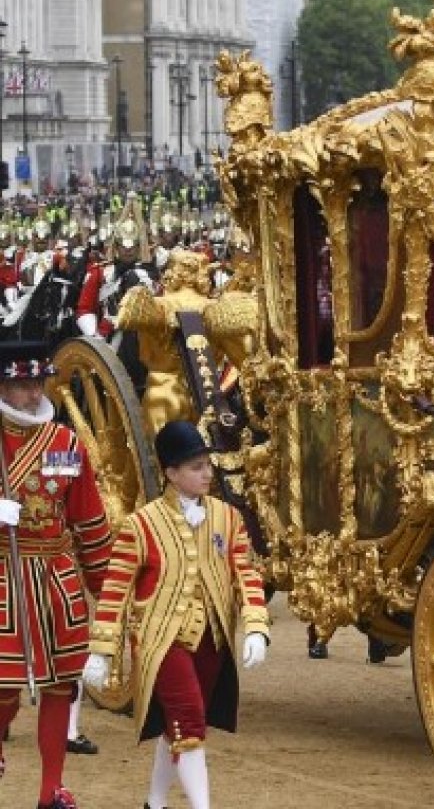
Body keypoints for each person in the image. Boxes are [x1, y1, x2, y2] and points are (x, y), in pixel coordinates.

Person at [83, 420, 270, 809]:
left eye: (207, 464)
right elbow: (115, 590)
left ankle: (154, 802)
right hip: (160, 638)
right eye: (195, 467)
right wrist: (101, 650)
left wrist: (256, 626)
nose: (206, 473)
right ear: (171, 473)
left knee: (179, 727)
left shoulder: (227, 518)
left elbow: (246, 574)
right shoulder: (140, 525)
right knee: (189, 721)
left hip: (212, 639)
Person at [0, 338, 112, 809]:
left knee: (60, 685)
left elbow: (87, 517)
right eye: (19, 385)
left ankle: (52, 789)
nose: (31, 394)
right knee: (3, 685)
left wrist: (107, 590)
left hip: (55, 578)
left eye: (35, 383)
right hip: (4, 573)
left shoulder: (65, 443)